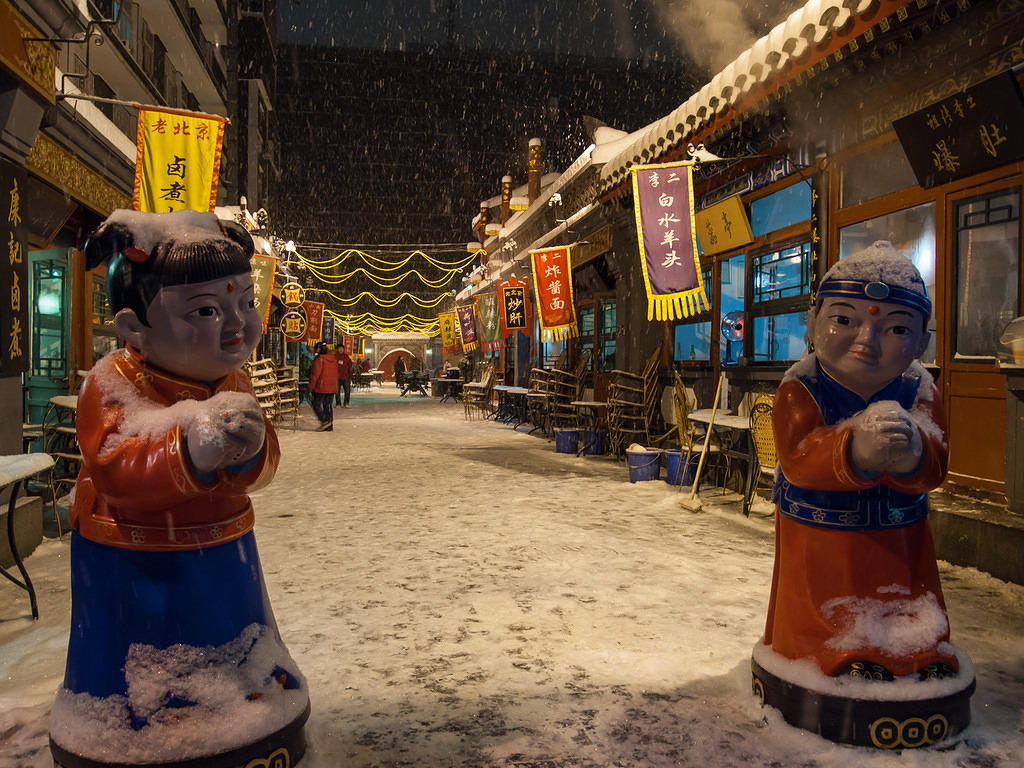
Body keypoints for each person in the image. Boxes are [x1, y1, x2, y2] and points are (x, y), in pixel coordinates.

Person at [51, 209, 308, 765]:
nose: (238, 325)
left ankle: (243, 700)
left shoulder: (233, 380)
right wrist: (190, 450)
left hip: (225, 549)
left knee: (237, 639)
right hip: (136, 559)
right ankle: (143, 723)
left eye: (244, 304)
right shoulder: (113, 384)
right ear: (133, 329)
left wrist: (252, 453)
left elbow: (264, 470)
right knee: (149, 663)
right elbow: (114, 468)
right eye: (208, 310)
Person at [763, 240, 958, 681]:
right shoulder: (801, 387)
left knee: (908, 602)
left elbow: (937, 459)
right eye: (844, 320)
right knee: (830, 603)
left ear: (922, 341)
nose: (866, 340)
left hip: (900, 531)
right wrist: (852, 449)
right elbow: (796, 459)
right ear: (813, 324)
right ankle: (831, 652)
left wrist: (913, 454)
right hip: (823, 532)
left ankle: (917, 650)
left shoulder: (920, 388)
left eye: (896, 330)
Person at [309, 341, 338, 430]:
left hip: (321, 386)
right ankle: (329, 424)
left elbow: (315, 375)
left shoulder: (319, 359)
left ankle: (324, 421)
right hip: (331, 386)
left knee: (316, 404)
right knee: (328, 405)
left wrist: (310, 387)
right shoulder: (333, 359)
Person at [336, 342, 353, 406]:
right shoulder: (335, 357)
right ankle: (338, 403)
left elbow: (350, 367)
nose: (341, 350)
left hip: (345, 376)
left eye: (342, 348)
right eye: (339, 348)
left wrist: (350, 376)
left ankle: (346, 403)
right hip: (337, 377)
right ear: (337, 349)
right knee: (337, 392)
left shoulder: (346, 357)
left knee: (347, 391)